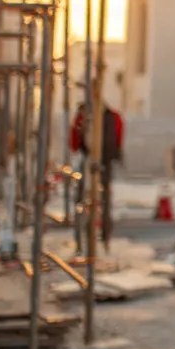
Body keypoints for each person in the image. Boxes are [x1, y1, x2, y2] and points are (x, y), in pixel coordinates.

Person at [71, 100, 124, 247]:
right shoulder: (114, 116)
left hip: (89, 159)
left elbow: (74, 141)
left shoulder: (84, 115)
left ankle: (84, 233)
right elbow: (119, 138)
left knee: (82, 196)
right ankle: (104, 232)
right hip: (106, 161)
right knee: (105, 197)